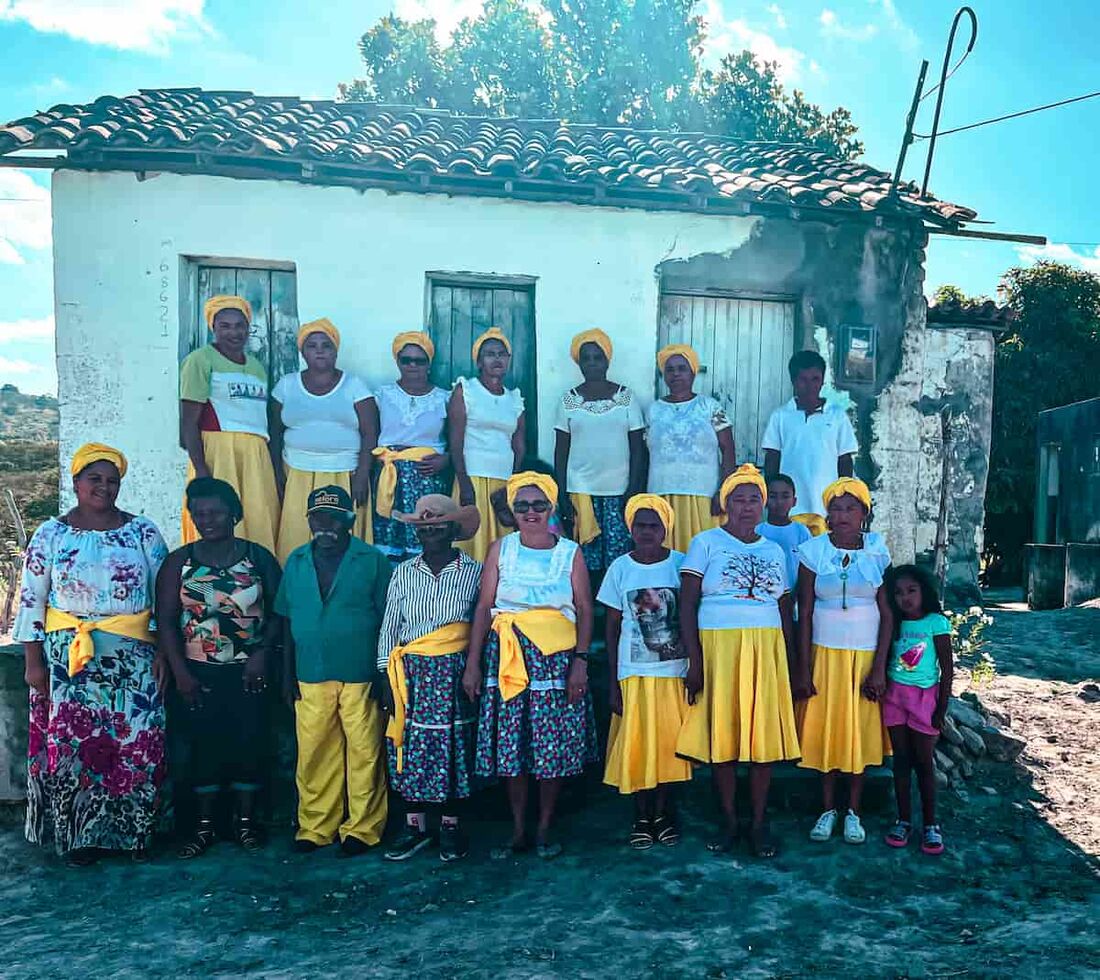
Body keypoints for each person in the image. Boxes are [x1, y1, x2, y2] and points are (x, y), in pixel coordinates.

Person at [15, 444, 168, 866]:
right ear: (76, 482)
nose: (103, 487)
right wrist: (33, 662)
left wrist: (163, 651)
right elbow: (32, 600)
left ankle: (132, 834)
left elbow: (164, 597)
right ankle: (80, 836)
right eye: (94, 479)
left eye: (112, 480)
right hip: (69, 660)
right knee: (74, 745)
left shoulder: (143, 533)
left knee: (136, 744)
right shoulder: (51, 534)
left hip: (133, 658)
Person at [463, 471, 597, 859]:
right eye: (522, 506)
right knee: (513, 746)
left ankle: (544, 827)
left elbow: (585, 609)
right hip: (508, 660)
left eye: (539, 505)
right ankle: (519, 827)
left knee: (549, 748)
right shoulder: (500, 549)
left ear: (551, 507)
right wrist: (473, 663)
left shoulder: (569, 552)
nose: (531, 512)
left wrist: (581, 662)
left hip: (554, 664)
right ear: (512, 511)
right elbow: (485, 607)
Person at [675, 463, 799, 859]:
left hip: (764, 649)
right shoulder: (705, 542)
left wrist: (794, 664)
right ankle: (729, 822)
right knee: (723, 738)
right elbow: (688, 604)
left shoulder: (773, 550)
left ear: (763, 506)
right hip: (719, 649)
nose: (747, 507)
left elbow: (784, 609)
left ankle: (759, 824)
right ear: (725, 504)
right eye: (739, 499)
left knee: (762, 741)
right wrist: (694, 661)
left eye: (754, 499)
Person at [156, 477, 282, 858]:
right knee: (201, 749)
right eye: (199, 514)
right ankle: (203, 828)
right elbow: (165, 620)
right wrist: (182, 674)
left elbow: (278, 610)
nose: (207, 520)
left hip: (251, 672)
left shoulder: (257, 558)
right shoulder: (179, 562)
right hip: (198, 673)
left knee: (250, 742)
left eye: (216, 513)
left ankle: (246, 824)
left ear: (235, 515)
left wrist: (262, 653)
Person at [278, 485, 392, 856]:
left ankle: (363, 826)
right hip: (309, 671)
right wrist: (285, 673)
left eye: (333, 518)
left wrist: (383, 671)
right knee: (313, 751)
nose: (324, 525)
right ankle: (316, 825)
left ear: (349, 521)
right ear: (309, 520)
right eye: (317, 517)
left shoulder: (372, 560)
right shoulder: (295, 561)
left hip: (360, 672)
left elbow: (390, 619)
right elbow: (285, 621)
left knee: (365, 751)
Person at [377, 495, 483, 863]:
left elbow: (481, 625)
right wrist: (385, 679)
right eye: (423, 526)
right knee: (409, 746)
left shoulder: (475, 571)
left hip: (454, 670)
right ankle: (415, 826)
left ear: (454, 528)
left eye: (438, 523)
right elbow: (391, 626)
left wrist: (474, 667)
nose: (431, 531)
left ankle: (451, 826)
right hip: (411, 672)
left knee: (453, 746)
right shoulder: (403, 572)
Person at [793, 477, 892, 845]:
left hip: (864, 654)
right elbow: (804, 609)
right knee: (828, 730)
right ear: (827, 515)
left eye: (851, 508)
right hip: (824, 653)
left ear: (864, 513)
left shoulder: (877, 549)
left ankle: (853, 811)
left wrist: (880, 666)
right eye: (835, 508)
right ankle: (827, 809)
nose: (843, 514)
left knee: (857, 731)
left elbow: (887, 612)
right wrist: (803, 667)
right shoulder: (813, 551)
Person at [598, 494, 692, 848]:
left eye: (654, 525)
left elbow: (690, 618)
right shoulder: (620, 568)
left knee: (669, 746)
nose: (647, 531)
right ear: (630, 528)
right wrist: (613, 681)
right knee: (637, 747)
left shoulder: (680, 565)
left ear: (665, 528)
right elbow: (610, 627)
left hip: (672, 673)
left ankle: (666, 813)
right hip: (633, 673)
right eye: (640, 525)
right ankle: (641, 815)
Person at [271, 317, 377, 564]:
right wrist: (276, 472)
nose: (319, 350)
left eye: (326, 345)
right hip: (297, 474)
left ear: (335, 351)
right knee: (296, 538)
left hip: (344, 475)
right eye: (312, 345)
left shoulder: (354, 385)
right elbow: (274, 434)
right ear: (302, 352)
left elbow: (369, 434)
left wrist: (362, 474)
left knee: (342, 542)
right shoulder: (286, 385)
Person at [179, 295, 280, 553]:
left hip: (255, 454)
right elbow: (189, 422)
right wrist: (201, 469)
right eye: (225, 325)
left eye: (239, 325)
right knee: (219, 518)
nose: (234, 332)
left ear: (248, 328)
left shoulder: (257, 367)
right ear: (214, 328)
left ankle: (256, 578)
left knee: (258, 517)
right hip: (219, 451)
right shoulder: (200, 360)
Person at [554, 329, 645, 577]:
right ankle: (589, 614)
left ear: (608, 360)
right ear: (579, 363)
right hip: (581, 493)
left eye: (598, 357)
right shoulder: (568, 401)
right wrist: (562, 494)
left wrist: (634, 489)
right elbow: (561, 452)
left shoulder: (626, 398)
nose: (592, 363)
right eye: (587, 358)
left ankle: (614, 614)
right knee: (586, 562)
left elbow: (638, 448)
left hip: (619, 494)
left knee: (618, 560)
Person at [882, 565, 954, 856]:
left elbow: (947, 671)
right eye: (898, 593)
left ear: (924, 591)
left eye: (912, 591)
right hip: (894, 697)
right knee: (901, 760)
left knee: (924, 763)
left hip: (925, 699)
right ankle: (903, 820)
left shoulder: (936, 623)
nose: (905, 598)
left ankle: (930, 825)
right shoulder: (893, 623)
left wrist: (941, 708)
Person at [645, 344, 737, 554]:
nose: (676, 374)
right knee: (665, 553)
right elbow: (645, 454)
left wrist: (723, 492)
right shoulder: (654, 410)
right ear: (664, 375)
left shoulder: (710, 407)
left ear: (693, 372)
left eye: (682, 368)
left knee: (702, 554)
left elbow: (728, 450)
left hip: (703, 496)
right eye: (670, 370)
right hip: (662, 494)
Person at [372, 331, 451, 563]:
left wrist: (447, 459)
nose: (413, 365)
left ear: (429, 363)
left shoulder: (444, 398)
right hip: (391, 476)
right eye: (406, 360)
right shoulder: (382, 395)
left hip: (426, 478)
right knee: (389, 539)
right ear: (397, 362)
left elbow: (457, 440)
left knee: (426, 537)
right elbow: (370, 435)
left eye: (420, 360)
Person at [762, 350, 858, 536]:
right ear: (793, 381)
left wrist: (842, 498)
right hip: (789, 507)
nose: (809, 385)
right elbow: (772, 457)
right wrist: (770, 497)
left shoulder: (837, 416)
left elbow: (844, 460)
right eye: (803, 379)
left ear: (822, 381)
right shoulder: (781, 416)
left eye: (815, 379)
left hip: (825, 505)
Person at [449, 327, 525, 562]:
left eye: (502, 354)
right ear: (479, 361)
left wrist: (513, 485)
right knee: (472, 543)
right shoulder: (466, 391)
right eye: (490, 354)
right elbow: (455, 441)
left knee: (501, 547)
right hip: (472, 479)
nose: (497, 358)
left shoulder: (514, 399)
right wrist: (463, 482)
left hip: (503, 484)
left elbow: (519, 446)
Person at [756, 473, 813, 609]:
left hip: (795, 599)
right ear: (764, 500)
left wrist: (796, 595)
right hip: (765, 598)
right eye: (773, 496)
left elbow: (808, 566)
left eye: (785, 496)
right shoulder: (757, 531)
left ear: (794, 501)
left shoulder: (802, 532)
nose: (779, 502)